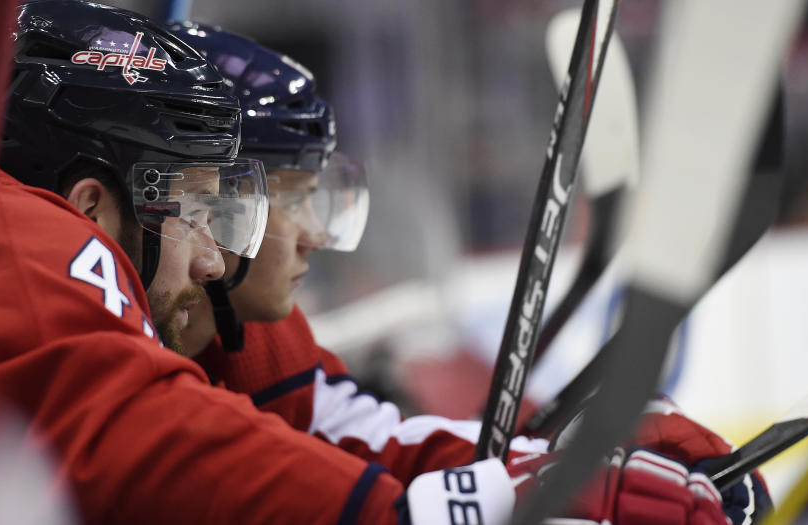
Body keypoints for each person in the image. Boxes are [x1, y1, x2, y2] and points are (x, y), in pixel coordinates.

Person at [0, 2, 750, 523]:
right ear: (90, 204)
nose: (213, 255)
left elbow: (340, 436)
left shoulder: (143, 283)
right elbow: (140, 433)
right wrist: (447, 510)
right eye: (201, 207)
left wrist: (582, 458)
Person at [170, 24, 771, 524]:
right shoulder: (110, 356)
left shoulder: (251, 338)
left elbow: (377, 447)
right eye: (293, 198)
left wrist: (568, 461)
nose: (318, 234)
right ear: (205, 207)